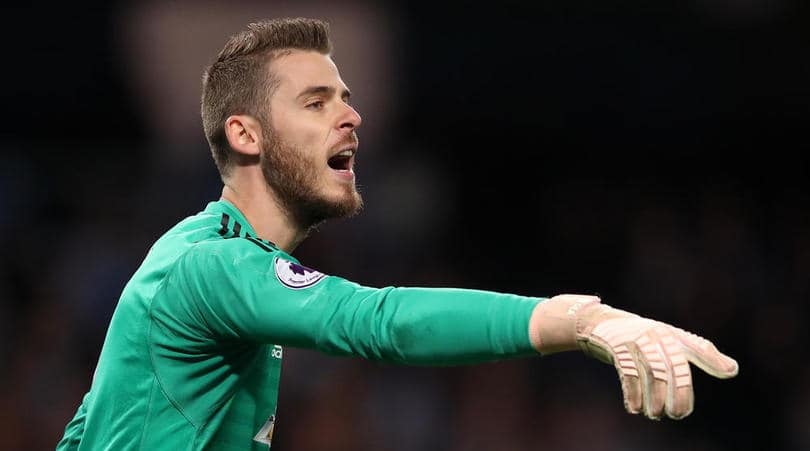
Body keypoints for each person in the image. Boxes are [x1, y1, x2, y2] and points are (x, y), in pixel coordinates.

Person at [57, 17, 738, 450]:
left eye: (347, 99)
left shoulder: (198, 258)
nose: (350, 116)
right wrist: (577, 319)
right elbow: (376, 321)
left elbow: (85, 432)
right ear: (246, 134)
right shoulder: (212, 265)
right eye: (316, 102)